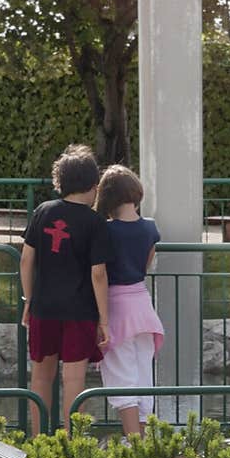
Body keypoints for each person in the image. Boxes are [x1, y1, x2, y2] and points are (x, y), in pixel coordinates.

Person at [20, 145, 111, 434]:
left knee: (41, 378)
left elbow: (25, 259)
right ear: (94, 186)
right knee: (74, 381)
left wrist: (29, 300)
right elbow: (98, 274)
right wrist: (104, 320)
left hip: (43, 308)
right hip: (79, 312)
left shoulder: (43, 211)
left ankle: (38, 442)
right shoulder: (95, 223)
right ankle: (73, 445)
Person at [94, 164, 164, 437]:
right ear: (136, 194)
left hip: (116, 308)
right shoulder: (149, 229)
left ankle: (133, 442)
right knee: (143, 374)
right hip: (142, 305)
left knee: (121, 376)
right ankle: (145, 441)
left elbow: (99, 270)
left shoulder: (105, 231)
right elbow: (147, 261)